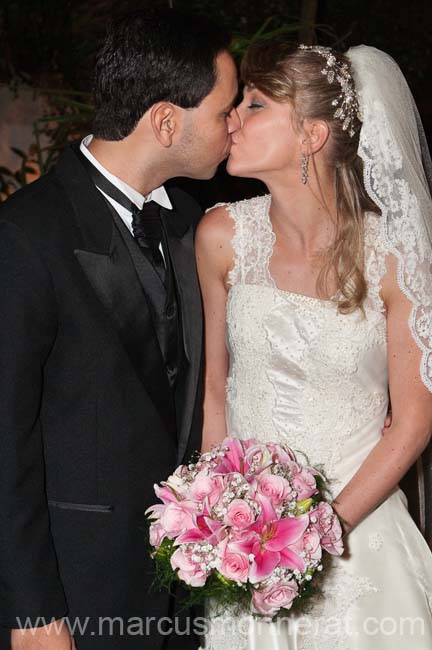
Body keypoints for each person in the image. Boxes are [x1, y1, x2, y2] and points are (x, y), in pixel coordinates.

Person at [0, 9, 239, 650]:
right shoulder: (26, 234)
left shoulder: (196, 225)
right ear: (165, 121)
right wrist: (30, 612)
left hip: (181, 597)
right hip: (76, 594)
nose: (234, 124)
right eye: (225, 110)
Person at [196, 41, 432, 649]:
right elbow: (213, 392)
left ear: (311, 135)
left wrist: (317, 539)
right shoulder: (222, 235)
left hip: (359, 540)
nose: (232, 120)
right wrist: (215, 519)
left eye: (254, 104)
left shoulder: (393, 256)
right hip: (245, 550)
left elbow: (411, 422)